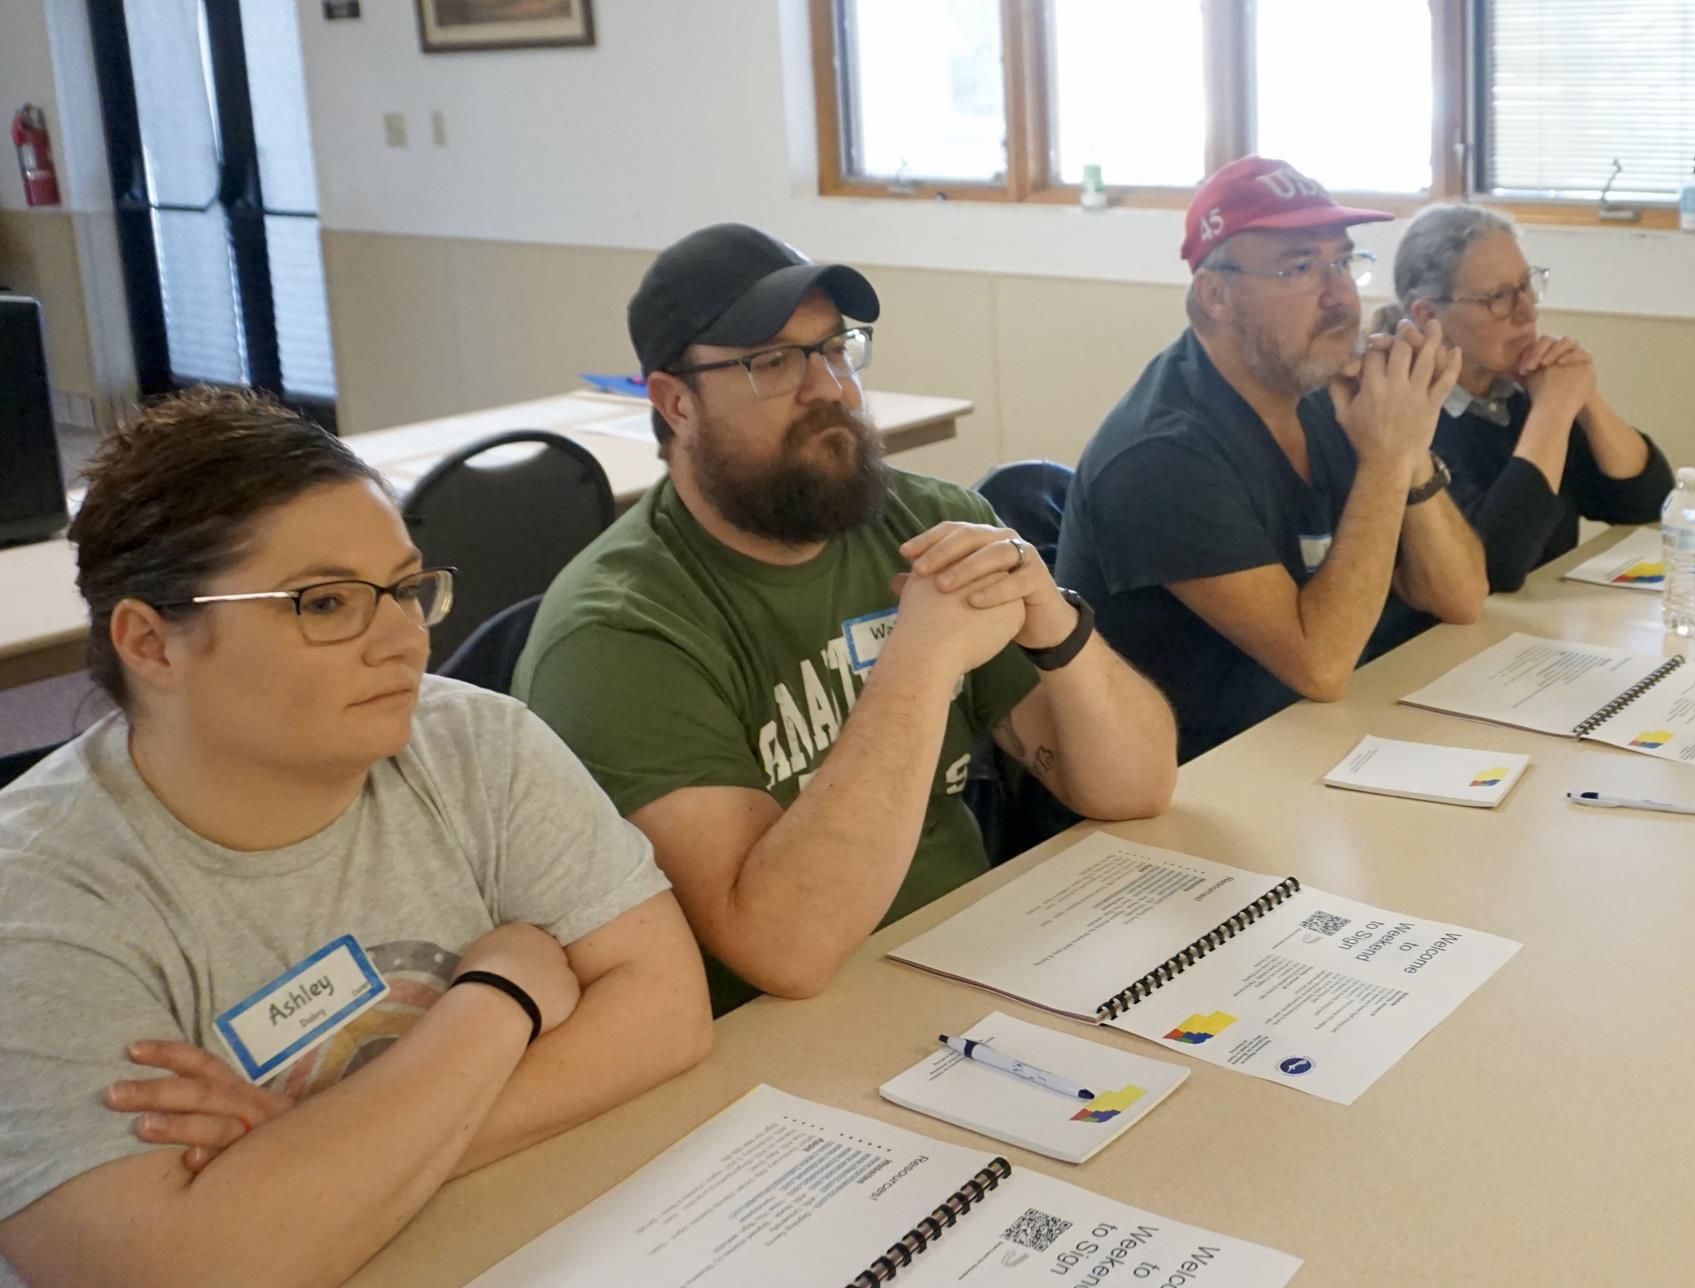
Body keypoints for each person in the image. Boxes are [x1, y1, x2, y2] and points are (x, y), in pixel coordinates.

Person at [0, 389, 711, 1287]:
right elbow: (178, 1270)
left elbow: (666, 1011)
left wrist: (311, 1161)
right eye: (326, 604)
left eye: (407, 589)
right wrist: (500, 996)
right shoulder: (37, 901)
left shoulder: (475, 743)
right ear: (151, 643)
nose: (405, 640)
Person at [514, 223, 1177, 1015]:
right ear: (674, 401)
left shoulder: (926, 520)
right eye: (772, 362)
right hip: (785, 1043)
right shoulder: (618, 635)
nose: (829, 387)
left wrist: (1055, 624)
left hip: (975, 962)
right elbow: (783, 952)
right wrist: (921, 661)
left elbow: (1133, 788)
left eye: (836, 347)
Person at [1055, 157, 1489, 763]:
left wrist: (1409, 447)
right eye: (1301, 267)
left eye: (1342, 261)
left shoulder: (1322, 389)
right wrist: (1389, 457)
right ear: (1216, 296)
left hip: (1329, 745)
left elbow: (1460, 598)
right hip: (1207, 786)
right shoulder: (1160, 456)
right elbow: (1320, 665)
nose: (1339, 295)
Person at [1370, 204, 1674, 591]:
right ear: (1429, 313)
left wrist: (1584, 397)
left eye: (1526, 286)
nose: (1527, 312)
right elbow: (1495, 564)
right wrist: (1553, 411)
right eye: (1498, 297)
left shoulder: (1519, 390)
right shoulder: (1407, 415)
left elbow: (1645, 503)